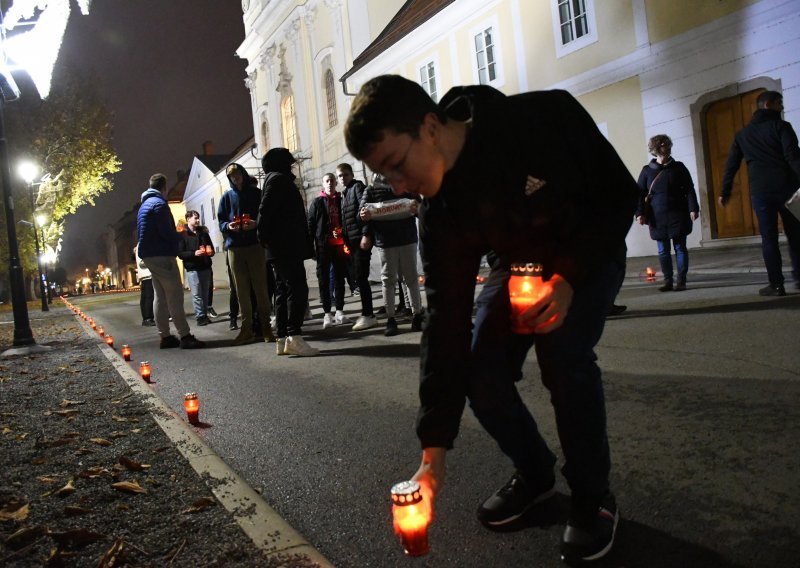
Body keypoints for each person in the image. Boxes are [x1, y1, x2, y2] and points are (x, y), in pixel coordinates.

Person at [344, 75, 638, 563]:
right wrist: (432, 455)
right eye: (385, 177)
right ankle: (535, 473)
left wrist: (566, 280)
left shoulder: (541, 118)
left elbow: (617, 197)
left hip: (587, 249)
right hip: (515, 266)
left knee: (563, 353)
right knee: (479, 374)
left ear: (431, 126)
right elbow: (444, 325)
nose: (399, 186)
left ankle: (592, 498)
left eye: (397, 165)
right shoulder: (438, 213)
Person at [720, 90, 800, 296]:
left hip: (761, 192)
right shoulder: (781, 126)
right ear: (768, 105)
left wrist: (725, 191)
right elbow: (792, 157)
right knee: (796, 236)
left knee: (769, 238)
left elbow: (731, 165)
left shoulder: (742, 135)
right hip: (787, 189)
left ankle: (776, 284)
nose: (782, 107)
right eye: (779, 103)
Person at [258, 147, 319, 357]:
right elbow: (265, 212)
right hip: (285, 245)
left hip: (279, 246)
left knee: (283, 291)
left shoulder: (273, 179)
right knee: (297, 289)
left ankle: (283, 338)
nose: (293, 165)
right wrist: (265, 238)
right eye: (290, 162)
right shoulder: (278, 180)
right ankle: (294, 337)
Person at [136, 173, 205, 350]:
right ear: (164, 188)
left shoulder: (144, 206)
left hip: (149, 255)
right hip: (161, 254)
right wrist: (180, 235)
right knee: (174, 295)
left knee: (160, 296)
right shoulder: (159, 204)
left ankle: (165, 336)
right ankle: (185, 335)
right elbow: (165, 232)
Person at [218, 163, 276, 345]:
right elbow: (221, 220)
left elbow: (265, 214)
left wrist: (256, 223)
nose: (235, 178)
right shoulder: (227, 197)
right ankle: (246, 328)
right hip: (234, 247)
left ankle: (266, 327)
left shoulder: (255, 194)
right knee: (241, 290)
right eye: (232, 176)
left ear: (243, 174)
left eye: (237, 175)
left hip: (254, 245)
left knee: (260, 287)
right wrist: (228, 226)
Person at [359, 174, 424, 336]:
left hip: (407, 238)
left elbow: (420, 206)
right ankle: (391, 319)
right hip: (385, 240)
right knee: (388, 280)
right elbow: (361, 214)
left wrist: (417, 208)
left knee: (411, 278)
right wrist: (363, 218)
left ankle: (417, 315)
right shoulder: (372, 189)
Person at [635, 135, 700, 292]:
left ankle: (681, 281)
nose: (668, 149)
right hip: (657, 216)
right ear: (656, 150)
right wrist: (639, 213)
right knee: (663, 250)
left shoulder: (679, 167)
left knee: (680, 248)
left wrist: (693, 208)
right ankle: (668, 281)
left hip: (679, 213)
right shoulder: (647, 171)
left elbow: (689, 189)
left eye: (669, 146)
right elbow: (639, 194)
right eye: (664, 147)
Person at [307, 173, 351, 329]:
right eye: (327, 181)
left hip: (339, 246)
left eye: (332, 180)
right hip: (323, 247)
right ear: (323, 184)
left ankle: (339, 311)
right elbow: (311, 225)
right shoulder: (317, 202)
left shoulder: (342, 200)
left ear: (335, 183)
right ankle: (327, 314)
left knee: (340, 279)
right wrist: (311, 248)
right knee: (324, 280)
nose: (330, 183)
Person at [337, 162, 377, 331]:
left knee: (361, 278)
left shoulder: (357, 188)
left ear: (351, 174)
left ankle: (368, 315)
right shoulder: (344, 193)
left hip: (360, 240)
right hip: (352, 242)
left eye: (345, 174)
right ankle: (367, 314)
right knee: (359, 277)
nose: (342, 178)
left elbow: (365, 211)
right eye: (340, 175)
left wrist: (366, 235)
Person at [178, 210, 215, 325]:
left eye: (198, 218)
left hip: (205, 266)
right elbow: (180, 253)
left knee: (205, 293)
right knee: (197, 294)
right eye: (195, 218)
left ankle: (204, 314)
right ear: (188, 219)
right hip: (192, 268)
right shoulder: (183, 234)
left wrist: (210, 252)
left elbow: (211, 247)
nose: (198, 220)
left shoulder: (203, 233)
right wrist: (194, 253)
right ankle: (200, 316)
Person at [134, 244, 155, 326]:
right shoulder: (143, 244)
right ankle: (147, 318)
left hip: (147, 274)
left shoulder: (142, 244)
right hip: (147, 274)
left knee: (147, 297)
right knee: (148, 297)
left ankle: (148, 317)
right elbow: (142, 262)